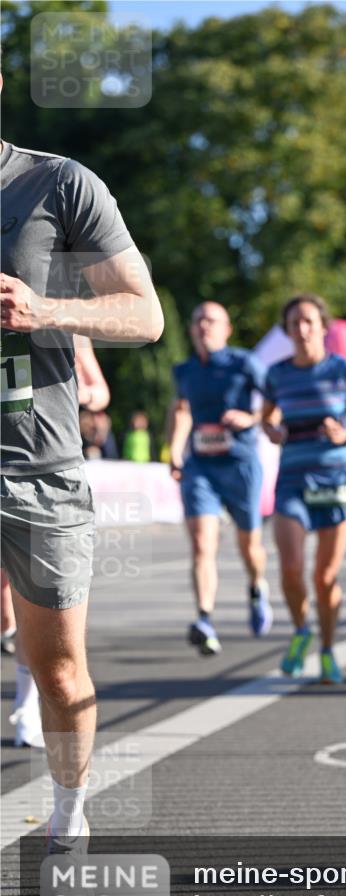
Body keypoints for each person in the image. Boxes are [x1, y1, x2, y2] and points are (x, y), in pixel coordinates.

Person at [1, 130, 163, 852]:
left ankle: (68, 811)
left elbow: (144, 314)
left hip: (38, 467)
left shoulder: (59, 184)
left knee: (59, 671)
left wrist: (46, 310)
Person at [262, 294, 346, 683]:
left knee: (324, 578)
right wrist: (273, 429)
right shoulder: (277, 374)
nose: (302, 328)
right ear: (287, 330)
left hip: (335, 481)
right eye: (294, 322)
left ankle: (328, 649)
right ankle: (300, 629)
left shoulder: (344, 370)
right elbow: (268, 418)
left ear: (323, 328)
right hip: (293, 480)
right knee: (291, 568)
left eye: (309, 321)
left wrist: (345, 432)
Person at [9, 338, 112, 749]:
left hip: (41, 470)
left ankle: (25, 706)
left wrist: (73, 389)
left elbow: (100, 391)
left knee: (27, 602)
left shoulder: (63, 320)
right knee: (9, 610)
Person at [169, 301, 273, 655]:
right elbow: (181, 410)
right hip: (201, 466)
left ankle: (258, 586)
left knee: (249, 545)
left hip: (240, 464)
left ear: (227, 328)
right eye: (198, 320)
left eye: (211, 320)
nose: (203, 326)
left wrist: (252, 418)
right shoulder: (184, 371)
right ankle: (205, 619)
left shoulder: (245, 363)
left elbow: (275, 400)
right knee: (201, 544)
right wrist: (174, 448)